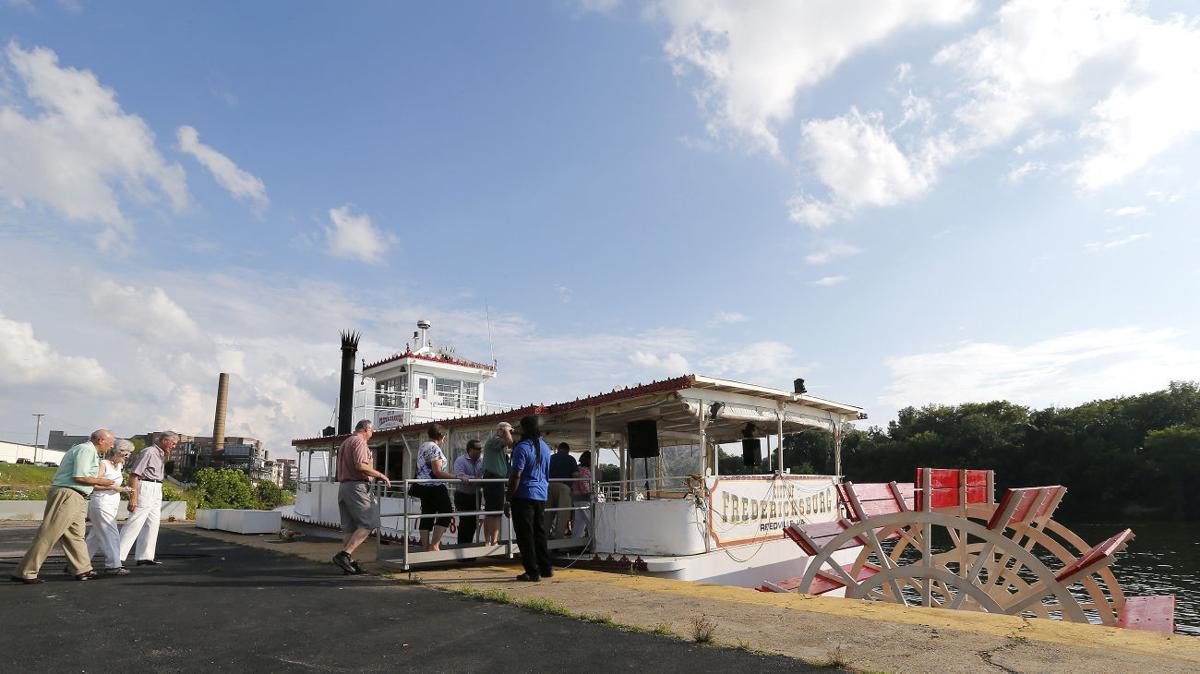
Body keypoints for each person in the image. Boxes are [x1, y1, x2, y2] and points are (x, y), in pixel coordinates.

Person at [11, 429, 117, 584]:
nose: (112, 445)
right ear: (101, 440)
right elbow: (79, 476)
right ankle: (26, 572)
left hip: (77, 496)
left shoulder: (89, 451)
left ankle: (83, 569)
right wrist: (103, 482)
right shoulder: (85, 450)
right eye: (110, 442)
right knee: (49, 533)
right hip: (69, 494)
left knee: (75, 535)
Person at [332, 419, 391, 575]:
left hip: (344, 486)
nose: (371, 435)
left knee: (349, 527)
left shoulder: (345, 443)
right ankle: (344, 555)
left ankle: (348, 563)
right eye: (371, 431)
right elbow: (360, 465)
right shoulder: (359, 442)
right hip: (356, 486)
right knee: (370, 521)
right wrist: (380, 475)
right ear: (366, 429)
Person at [118, 431, 177, 566]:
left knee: (152, 523)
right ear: (165, 441)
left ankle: (145, 556)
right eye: (173, 443)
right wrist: (133, 497)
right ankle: (118, 556)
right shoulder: (149, 452)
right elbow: (134, 475)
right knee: (135, 522)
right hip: (145, 486)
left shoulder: (161, 454)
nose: (173, 447)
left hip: (156, 487)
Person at [504, 415, 552, 581]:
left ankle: (532, 571)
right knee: (539, 532)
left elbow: (516, 475)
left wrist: (508, 499)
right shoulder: (546, 447)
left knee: (525, 535)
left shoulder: (522, 448)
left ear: (524, 429)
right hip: (541, 494)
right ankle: (546, 568)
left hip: (524, 495)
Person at [411, 425, 469, 551]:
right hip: (435, 486)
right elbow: (437, 472)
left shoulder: (423, 446)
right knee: (446, 512)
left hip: (422, 486)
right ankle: (434, 545)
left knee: (427, 514)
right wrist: (458, 477)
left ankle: (425, 547)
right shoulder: (435, 448)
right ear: (442, 436)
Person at [86, 439, 134, 574]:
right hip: (101, 503)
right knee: (111, 534)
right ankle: (113, 565)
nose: (128, 456)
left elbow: (115, 486)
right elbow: (93, 485)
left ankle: (78, 563)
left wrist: (122, 489)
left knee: (95, 536)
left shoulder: (119, 466)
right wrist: (114, 488)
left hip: (111, 504)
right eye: (126, 453)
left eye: (129, 454)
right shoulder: (103, 464)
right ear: (118, 452)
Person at [481, 421, 513, 545]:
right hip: (493, 480)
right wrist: (506, 431)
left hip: (496, 480)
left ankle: (492, 541)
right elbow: (510, 443)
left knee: (495, 512)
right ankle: (490, 541)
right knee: (492, 512)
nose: (510, 434)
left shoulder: (495, 442)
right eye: (509, 431)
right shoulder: (495, 440)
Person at [452, 439, 484, 544]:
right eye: (478, 449)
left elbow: (484, 476)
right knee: (465, 522)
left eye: (481, 448)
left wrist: (474, 479)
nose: (480, 450)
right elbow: (461, 476)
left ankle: (468, 548)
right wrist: (477, 479)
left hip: (476, 495)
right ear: (470, 449)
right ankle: (462, 549)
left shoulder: (482, 460)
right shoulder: (460, 460)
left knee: (474, 523)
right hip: (463, 495)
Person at [546, 441, 578, 539]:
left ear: (559, 449)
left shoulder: (550, 458)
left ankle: (544, 538)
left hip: (548, 486)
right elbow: (575, 475)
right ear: (568, 450)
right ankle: (558, 539)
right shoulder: (570, 459)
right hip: (563, 487)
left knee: (547, 514)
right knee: (562, 515)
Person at [571, 450, 593, 540]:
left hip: (576, 498)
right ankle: (593, 540)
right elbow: (583, 483)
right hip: (584, 498)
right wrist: (588, 493)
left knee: (579, 521)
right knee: (589, 520)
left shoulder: (577, 469)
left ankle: (575, 539)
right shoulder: (585, 471)